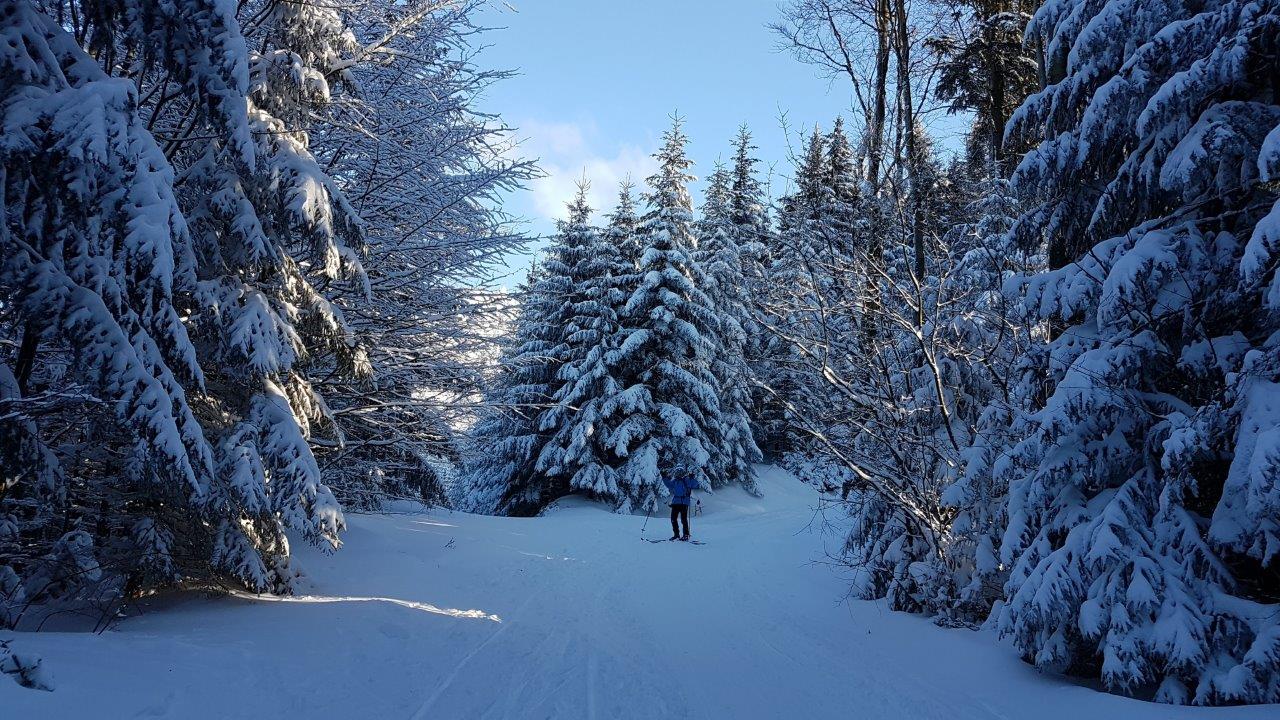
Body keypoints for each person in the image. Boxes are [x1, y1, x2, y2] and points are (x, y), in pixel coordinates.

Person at [662, 473, 696, 541]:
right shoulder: (675, 481)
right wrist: (664, 477)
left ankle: (686, 535)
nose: (679, 473)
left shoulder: (686, 480)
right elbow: (669, 485)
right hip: (676, 502)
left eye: (680, 471)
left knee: (683, 519)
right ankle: (676, 535)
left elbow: (694, 485)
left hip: (684, 502)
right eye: (678, 471)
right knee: (673, 519)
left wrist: (692, 478)